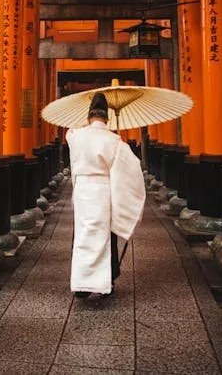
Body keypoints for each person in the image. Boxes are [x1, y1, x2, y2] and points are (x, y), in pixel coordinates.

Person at [66, 92, 146, 298]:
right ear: (107, 118)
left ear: (88, 117)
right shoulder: (114, 140)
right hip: (103, 191)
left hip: (83, 191)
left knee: (83, 236)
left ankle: (82, 285)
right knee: (105, 235)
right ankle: (105, 282)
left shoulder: (74, 136)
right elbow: (130, 169)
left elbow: (72, 142)